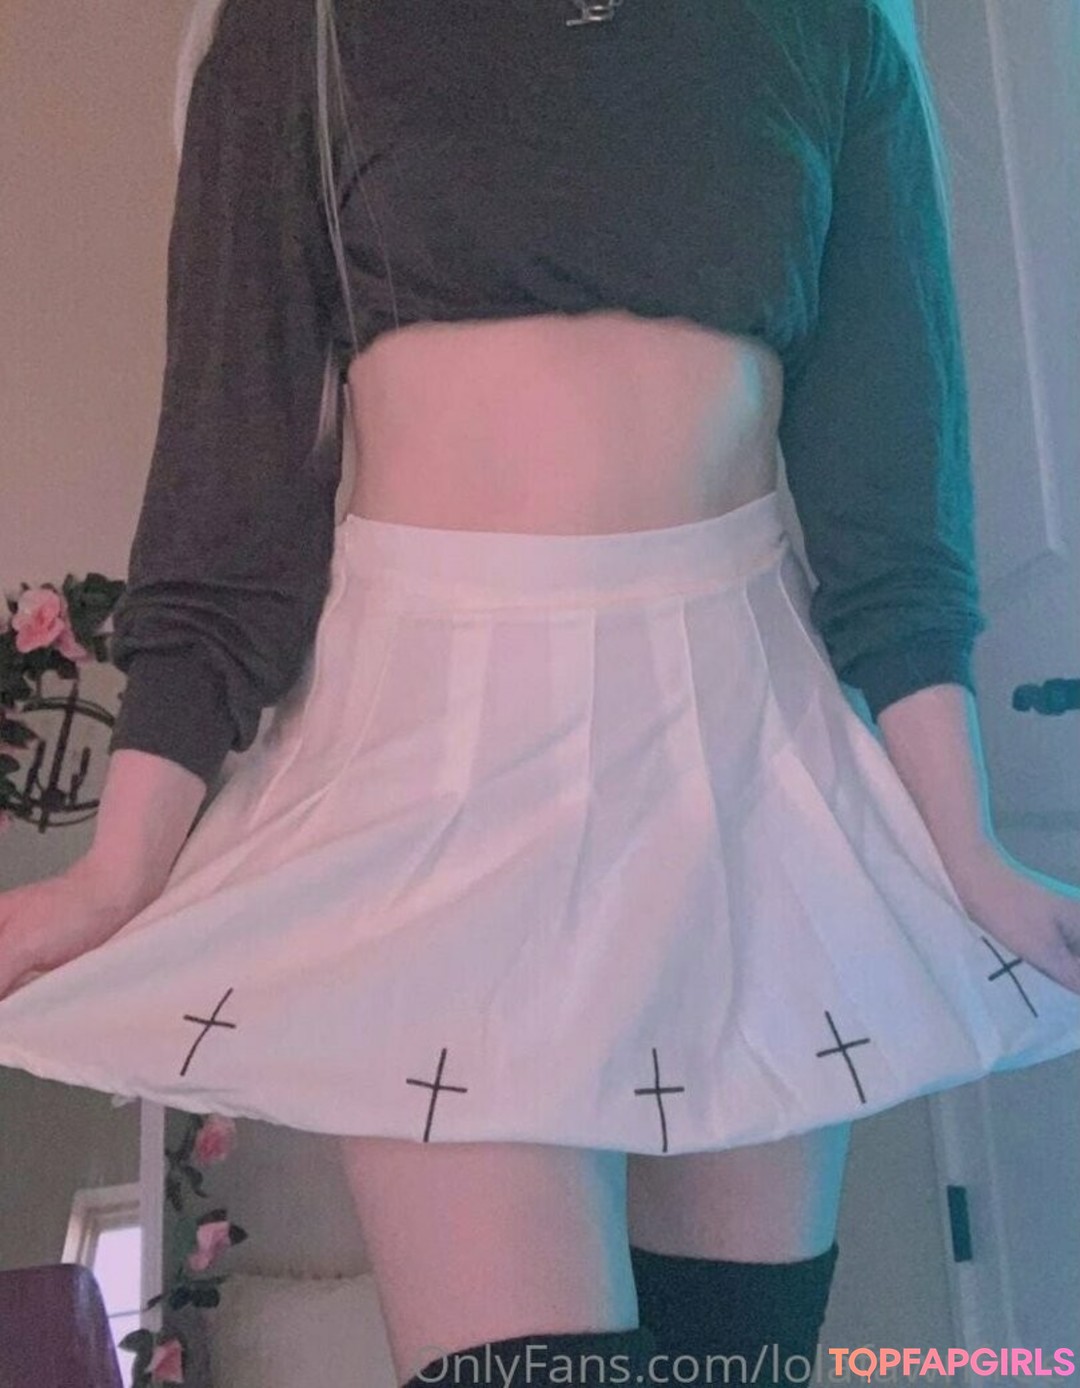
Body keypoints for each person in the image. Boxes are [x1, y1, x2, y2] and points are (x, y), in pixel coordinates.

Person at [2, 1, 1080, 1384]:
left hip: (742, 754)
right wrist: (119, 869)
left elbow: (890, 495)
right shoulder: (301, 30)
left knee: (737, 1360)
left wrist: (965, 847)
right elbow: (228, 499)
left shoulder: (831, 28)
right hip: (431, 759)